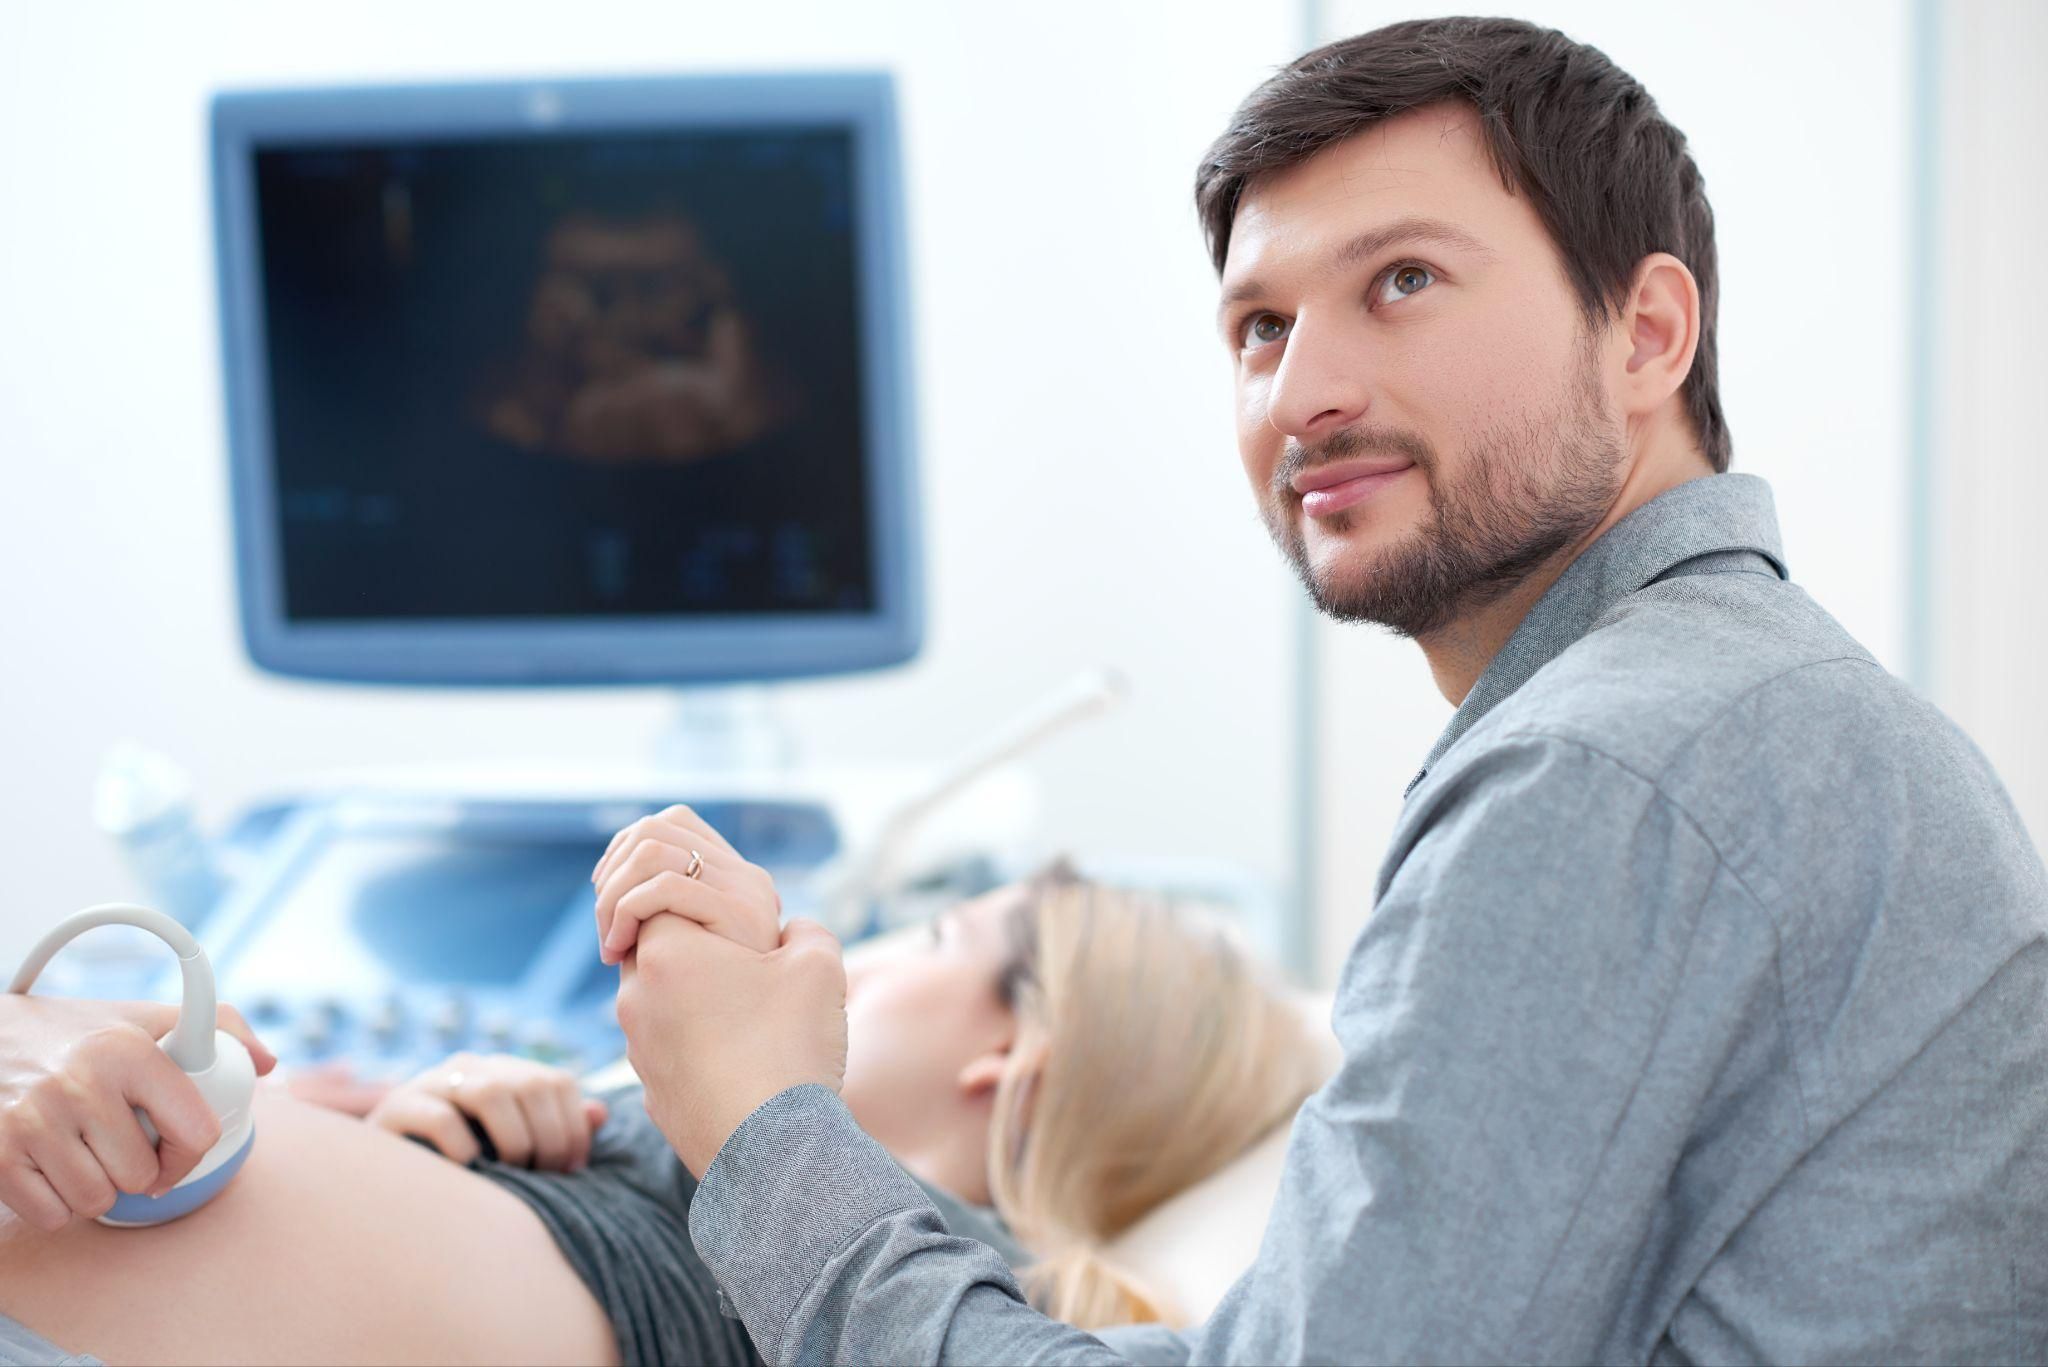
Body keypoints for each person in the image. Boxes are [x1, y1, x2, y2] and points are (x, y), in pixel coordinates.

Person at [588, 17, 2048, 1367]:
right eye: (1260, 329)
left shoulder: (1612, 769)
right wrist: (646, 1139)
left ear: (1648, 334)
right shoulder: (1756, 717)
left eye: (1401, 283)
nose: (1300, 396)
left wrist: (767, 1138)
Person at [0, 867, 1321, 1365]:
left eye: (930, 931)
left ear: (1013, 1052)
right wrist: (421, 1140)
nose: (844, 942)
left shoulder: (893, 1295)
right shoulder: (668, 1186)